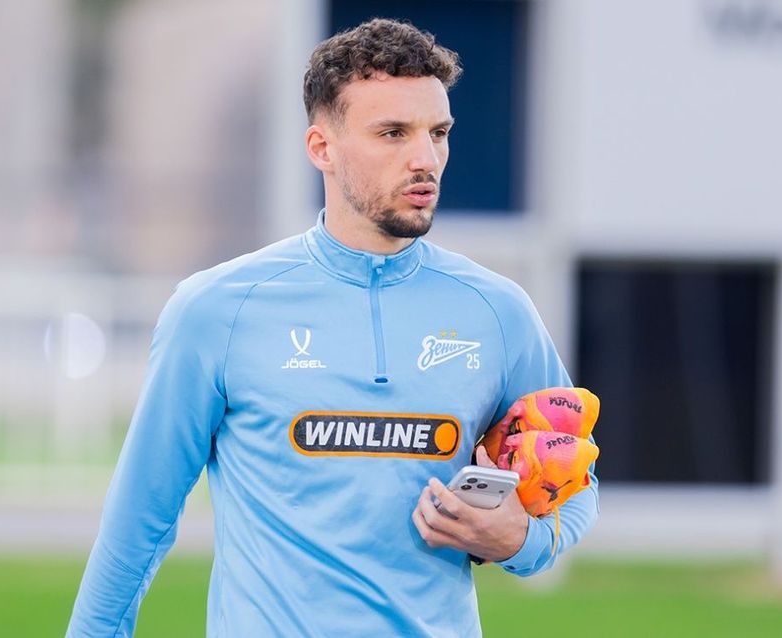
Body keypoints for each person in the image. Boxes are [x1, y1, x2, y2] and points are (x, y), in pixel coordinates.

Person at [67, 18, 599, 638]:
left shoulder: (498, 312)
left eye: (438, 133)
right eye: (393, 133)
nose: (425, 159)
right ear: (322, 147)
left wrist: (522, 540)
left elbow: (578, 478)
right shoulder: (218, 310)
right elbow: (140, 518)